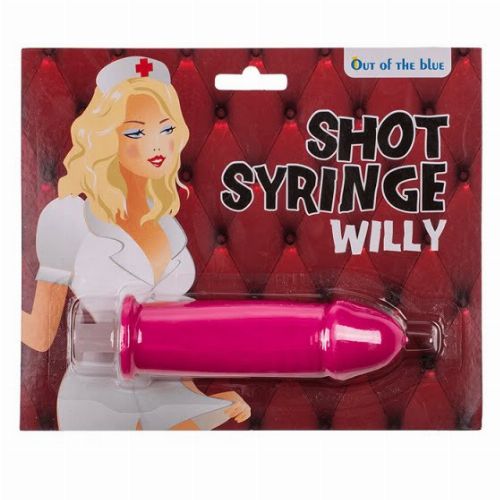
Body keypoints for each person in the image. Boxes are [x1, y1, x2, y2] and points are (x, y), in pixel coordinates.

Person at [21, 56, 251, 430]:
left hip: (165, 390)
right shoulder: (68, 218)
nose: (156, 145)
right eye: (135, 133)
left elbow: (177, 348)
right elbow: (41, 334)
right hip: (99, 394)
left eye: (165, 128)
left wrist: (205, 404)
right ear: (105, 137)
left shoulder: (169, 226)